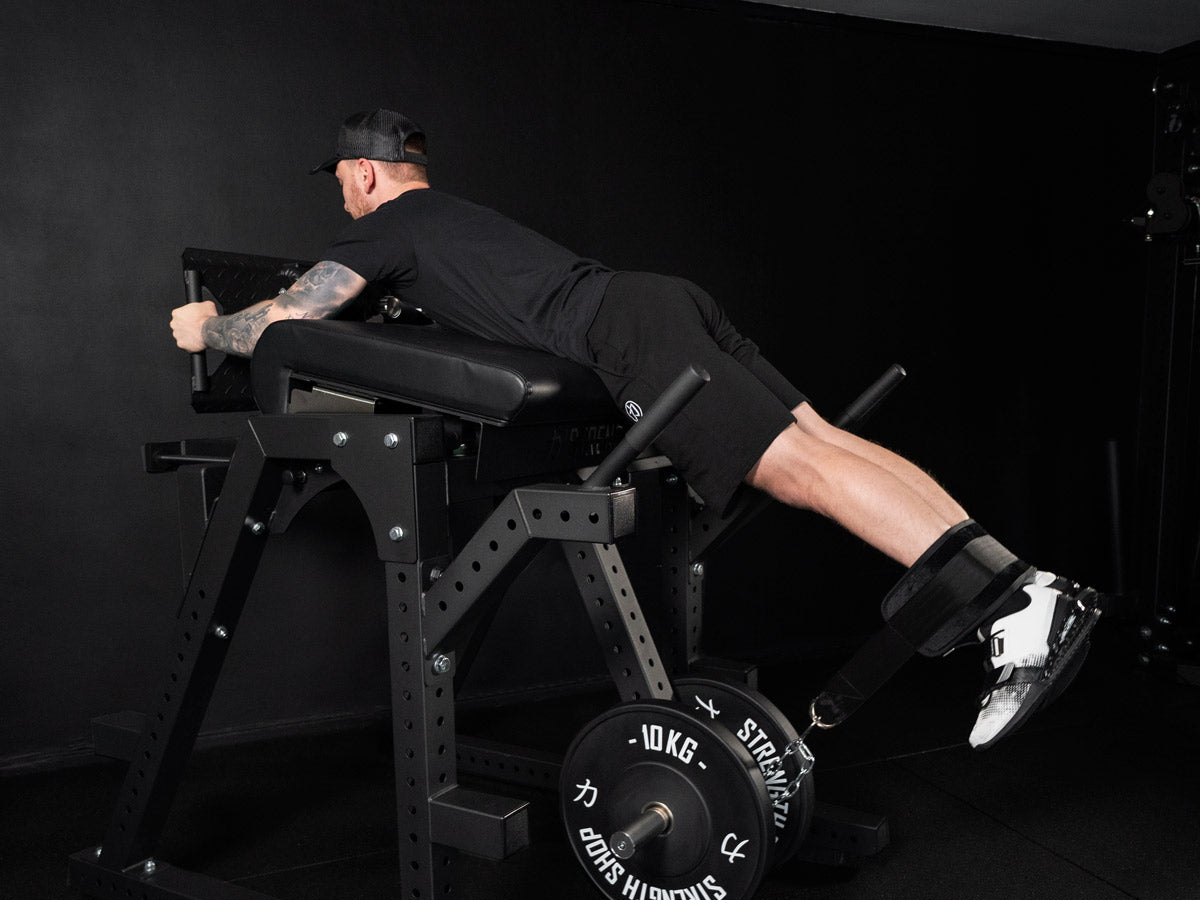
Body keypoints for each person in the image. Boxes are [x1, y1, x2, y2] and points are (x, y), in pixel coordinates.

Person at [170, 109, 1102, 749]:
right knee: (827, 441)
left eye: (341, 179)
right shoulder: (451, 215)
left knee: (802, 471)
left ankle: (1013, 610)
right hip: (664, 298)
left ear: (366, 172)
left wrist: (208, 327)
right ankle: (1023, 579)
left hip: (625, 333)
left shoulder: (385, 225)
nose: (340, 195)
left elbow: (293, 317)